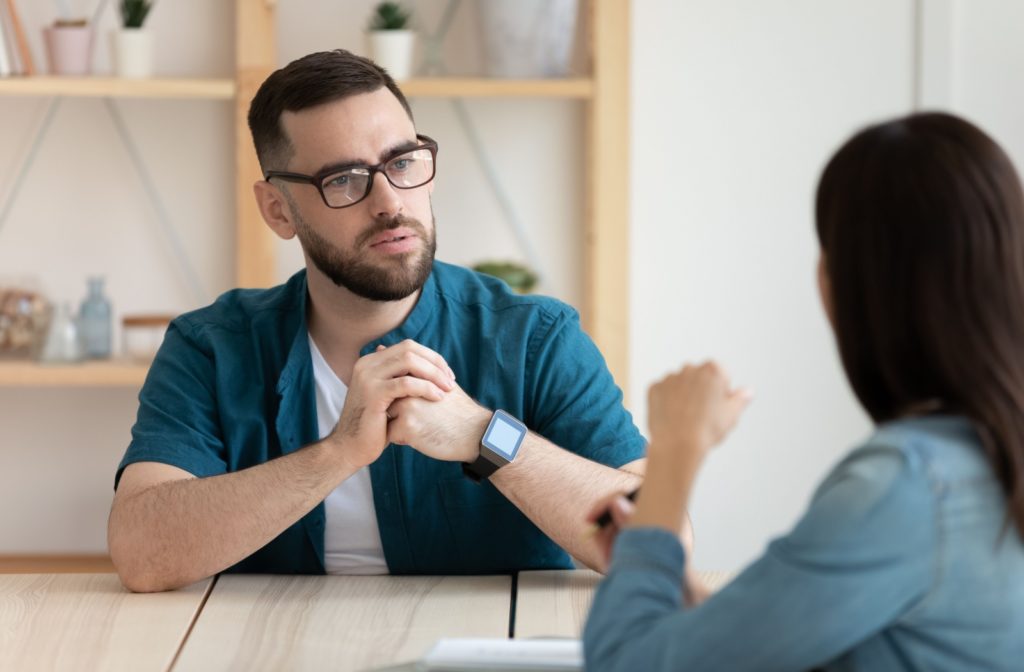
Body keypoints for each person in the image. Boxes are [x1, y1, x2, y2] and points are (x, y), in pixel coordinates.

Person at [107, 49, 645, 593]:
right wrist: (338, 453)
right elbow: (142, 554)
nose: (389, 202)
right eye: (342, 179)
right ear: (278, 210)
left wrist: (488, 436)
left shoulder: (536, 338)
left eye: (402, 162)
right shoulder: (211, 349)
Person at [583, 112, 1024, 671]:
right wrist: (675, 583)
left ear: (836, 282)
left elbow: (629, 664)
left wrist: (672, 453)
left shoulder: (907, 486)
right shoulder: (984, 459)